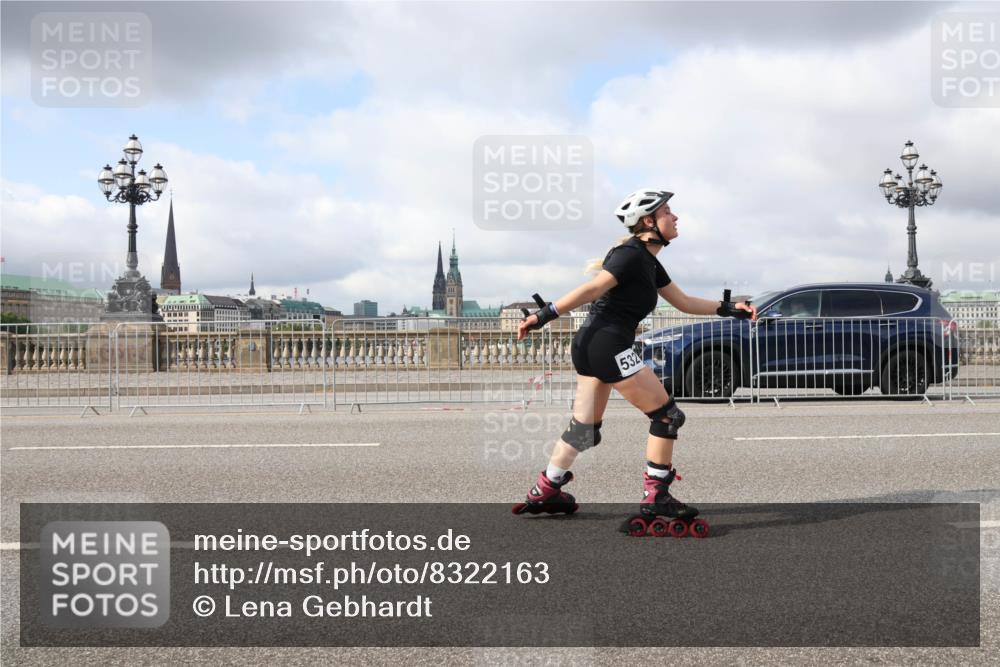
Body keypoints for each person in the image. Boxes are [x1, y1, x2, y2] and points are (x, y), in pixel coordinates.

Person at [511, 189, 756, 534]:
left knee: (584, 431)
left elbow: (683, 302)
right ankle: (656, 496)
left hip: (591, 344)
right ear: (647, 222)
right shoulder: (630, 255)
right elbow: (593, 289)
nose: (676, 217)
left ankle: (546, 489)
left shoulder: (648, 262)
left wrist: (729, 309)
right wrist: (543, 315)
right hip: (607, 344)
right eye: (668, 212)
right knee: (668, 415)